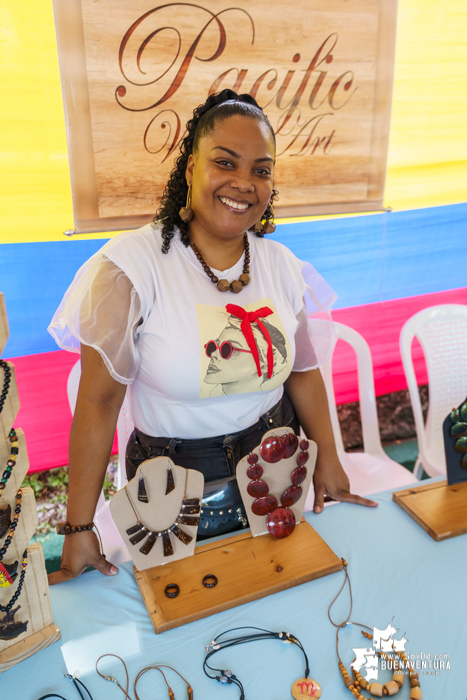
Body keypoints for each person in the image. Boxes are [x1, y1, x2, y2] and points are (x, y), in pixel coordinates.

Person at [48, 89, 377, 584]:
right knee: (184, 612)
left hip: (275, 469)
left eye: (261, 170)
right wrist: (79, 527)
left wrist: (328, 457)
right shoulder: (130, 269)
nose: (244, 183)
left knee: (282, 591)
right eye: (225, 162)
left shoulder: (282, 267)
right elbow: (97, 403)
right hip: (171, 491)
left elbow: (303, 372)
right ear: (189, 169)